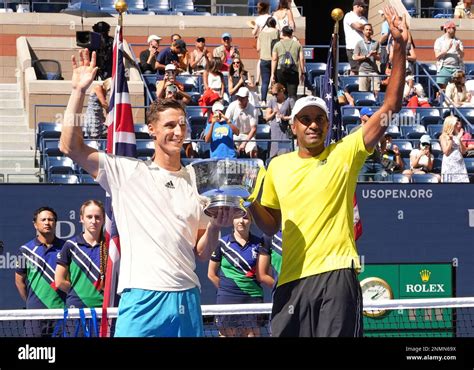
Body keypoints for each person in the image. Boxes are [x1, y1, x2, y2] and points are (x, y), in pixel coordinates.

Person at [248, 6, 408, 337]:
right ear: (293, 127)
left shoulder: (344, 153)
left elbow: (391, 109)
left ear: (328, 124)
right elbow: (270, 224)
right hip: (292, 279)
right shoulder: (277, 166)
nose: (313, 125)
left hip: (338, 276)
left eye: (319, 119)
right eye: (305, 119)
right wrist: (248, 202)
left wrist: (399, 48)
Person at [59, 49, 234, 337]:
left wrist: (215, 224)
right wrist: (79, 91)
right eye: (169, 125)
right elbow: (71, 147)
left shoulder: (199, 180)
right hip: (141, 299)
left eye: (182, 124)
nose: (178, 131)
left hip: (187, 297)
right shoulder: (126, 172)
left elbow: (202, 253)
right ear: (151, 130)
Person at [207, 214, 264, 337]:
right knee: (226, 334)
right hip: (227, 298)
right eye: (237, 217)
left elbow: (263, 273)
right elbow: (211, 274)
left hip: (252, 297)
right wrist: (226, 289)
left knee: (251, 335)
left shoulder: (260, 244)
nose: (241, 221)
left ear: (251, 221)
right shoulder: (222, 243)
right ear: (232, 220)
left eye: (246, 218)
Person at [15, 207, 66, 336]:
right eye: (43, 220)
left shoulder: (67, 247)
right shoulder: (25, 251)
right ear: (35, 224)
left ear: (55, 223)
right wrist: (31, 301)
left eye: (50, 219)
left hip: (61, 312)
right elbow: (19, 280)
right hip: (35, 314)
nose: (47, 222)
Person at [55, 200, 106, 309]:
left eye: (97, 217)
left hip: (105, 309)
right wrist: (77, 293)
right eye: (89, 217)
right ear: (82, 219)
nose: (93, 221)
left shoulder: (111, 247)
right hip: (76, 309)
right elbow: (59, 281)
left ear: (103, 219)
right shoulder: (71, 245)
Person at [271, 26, 304, 100]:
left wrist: (272, 74)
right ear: (291, 33)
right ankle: (292, 110)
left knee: (282, 93)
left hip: (280, 71)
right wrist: (302, 72)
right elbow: (301, 59)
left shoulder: (277, 45)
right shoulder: (298, 45)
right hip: (293, 71)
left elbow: (274, 59)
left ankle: (284, 109)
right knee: (292, 94)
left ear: (282, 33)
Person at [225, 87, 258, 158]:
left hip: (248, 135)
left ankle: (254, 168)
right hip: (234, 135)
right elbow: (226, 121)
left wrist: (244, 143)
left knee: (253, 152)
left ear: (247, 98)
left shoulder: (253, 109)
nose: (239, 99)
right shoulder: (232, 106)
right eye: (238, 97)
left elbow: (254, 129)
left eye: (242, 98)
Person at [265, 83, 294, 159]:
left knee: (285, 154)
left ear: (281, 91)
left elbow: (294, 116)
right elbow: (267, 117)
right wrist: (274, 113)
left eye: (276, 94)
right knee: (273, 154)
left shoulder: (289, 100)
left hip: (284, 131)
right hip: (274, 131)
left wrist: (285, 118)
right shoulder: (272, 101)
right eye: (272, 94)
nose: (274, 96)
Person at [434, 21, 464, 89]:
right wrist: (446, 49)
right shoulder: (439, 41)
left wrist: (458, 49)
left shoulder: (458, 41)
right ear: (446, 29)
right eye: (451, 28)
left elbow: (462, 56)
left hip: (457, 68)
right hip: (443, 67)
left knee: (459, 88)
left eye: (454, 28)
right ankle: (442, 98)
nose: (453, 30)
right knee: (442, 88)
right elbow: (437, 56)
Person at [440, 115, 469, 183]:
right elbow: (446, 152)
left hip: (459, 164)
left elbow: (464, 151)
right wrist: (450, 141)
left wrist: (459, 139)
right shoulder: (443, 136)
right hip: (449, 164)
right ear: (451, 124)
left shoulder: (458, 136)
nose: (458, 124)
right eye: (456, 123)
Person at [257, 17, 280, 104]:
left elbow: (258, 48)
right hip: (274, 59)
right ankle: (276, 100)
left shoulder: (261, 33)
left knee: (265, 82)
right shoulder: (276, 31)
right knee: (276, 80)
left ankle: (263, 100)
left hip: (263, 59)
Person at [353, 23, 380, 94]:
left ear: (372, 31)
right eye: (367, 30)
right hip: (363, 71)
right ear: (363, 31)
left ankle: (376, 104)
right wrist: (366, 56)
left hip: (374, 71)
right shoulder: (359, 43)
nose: (368, 31)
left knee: (376, 90)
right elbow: (355, 57)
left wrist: (374, 55)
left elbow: (379, 58)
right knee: (363, 92)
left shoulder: (376, 43)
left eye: (370, 30)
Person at [343, 0, 368, 75]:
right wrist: (363, 27)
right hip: (353, 47)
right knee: (355, 70)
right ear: (357, 6)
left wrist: (363, 27)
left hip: (364, 47)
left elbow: (368, 30)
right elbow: (358, 26)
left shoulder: (363, 18)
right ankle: (352, 85)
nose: (365, 9)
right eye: (363, 7)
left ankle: (360, 86)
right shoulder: (349, 16)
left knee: (364, 69)